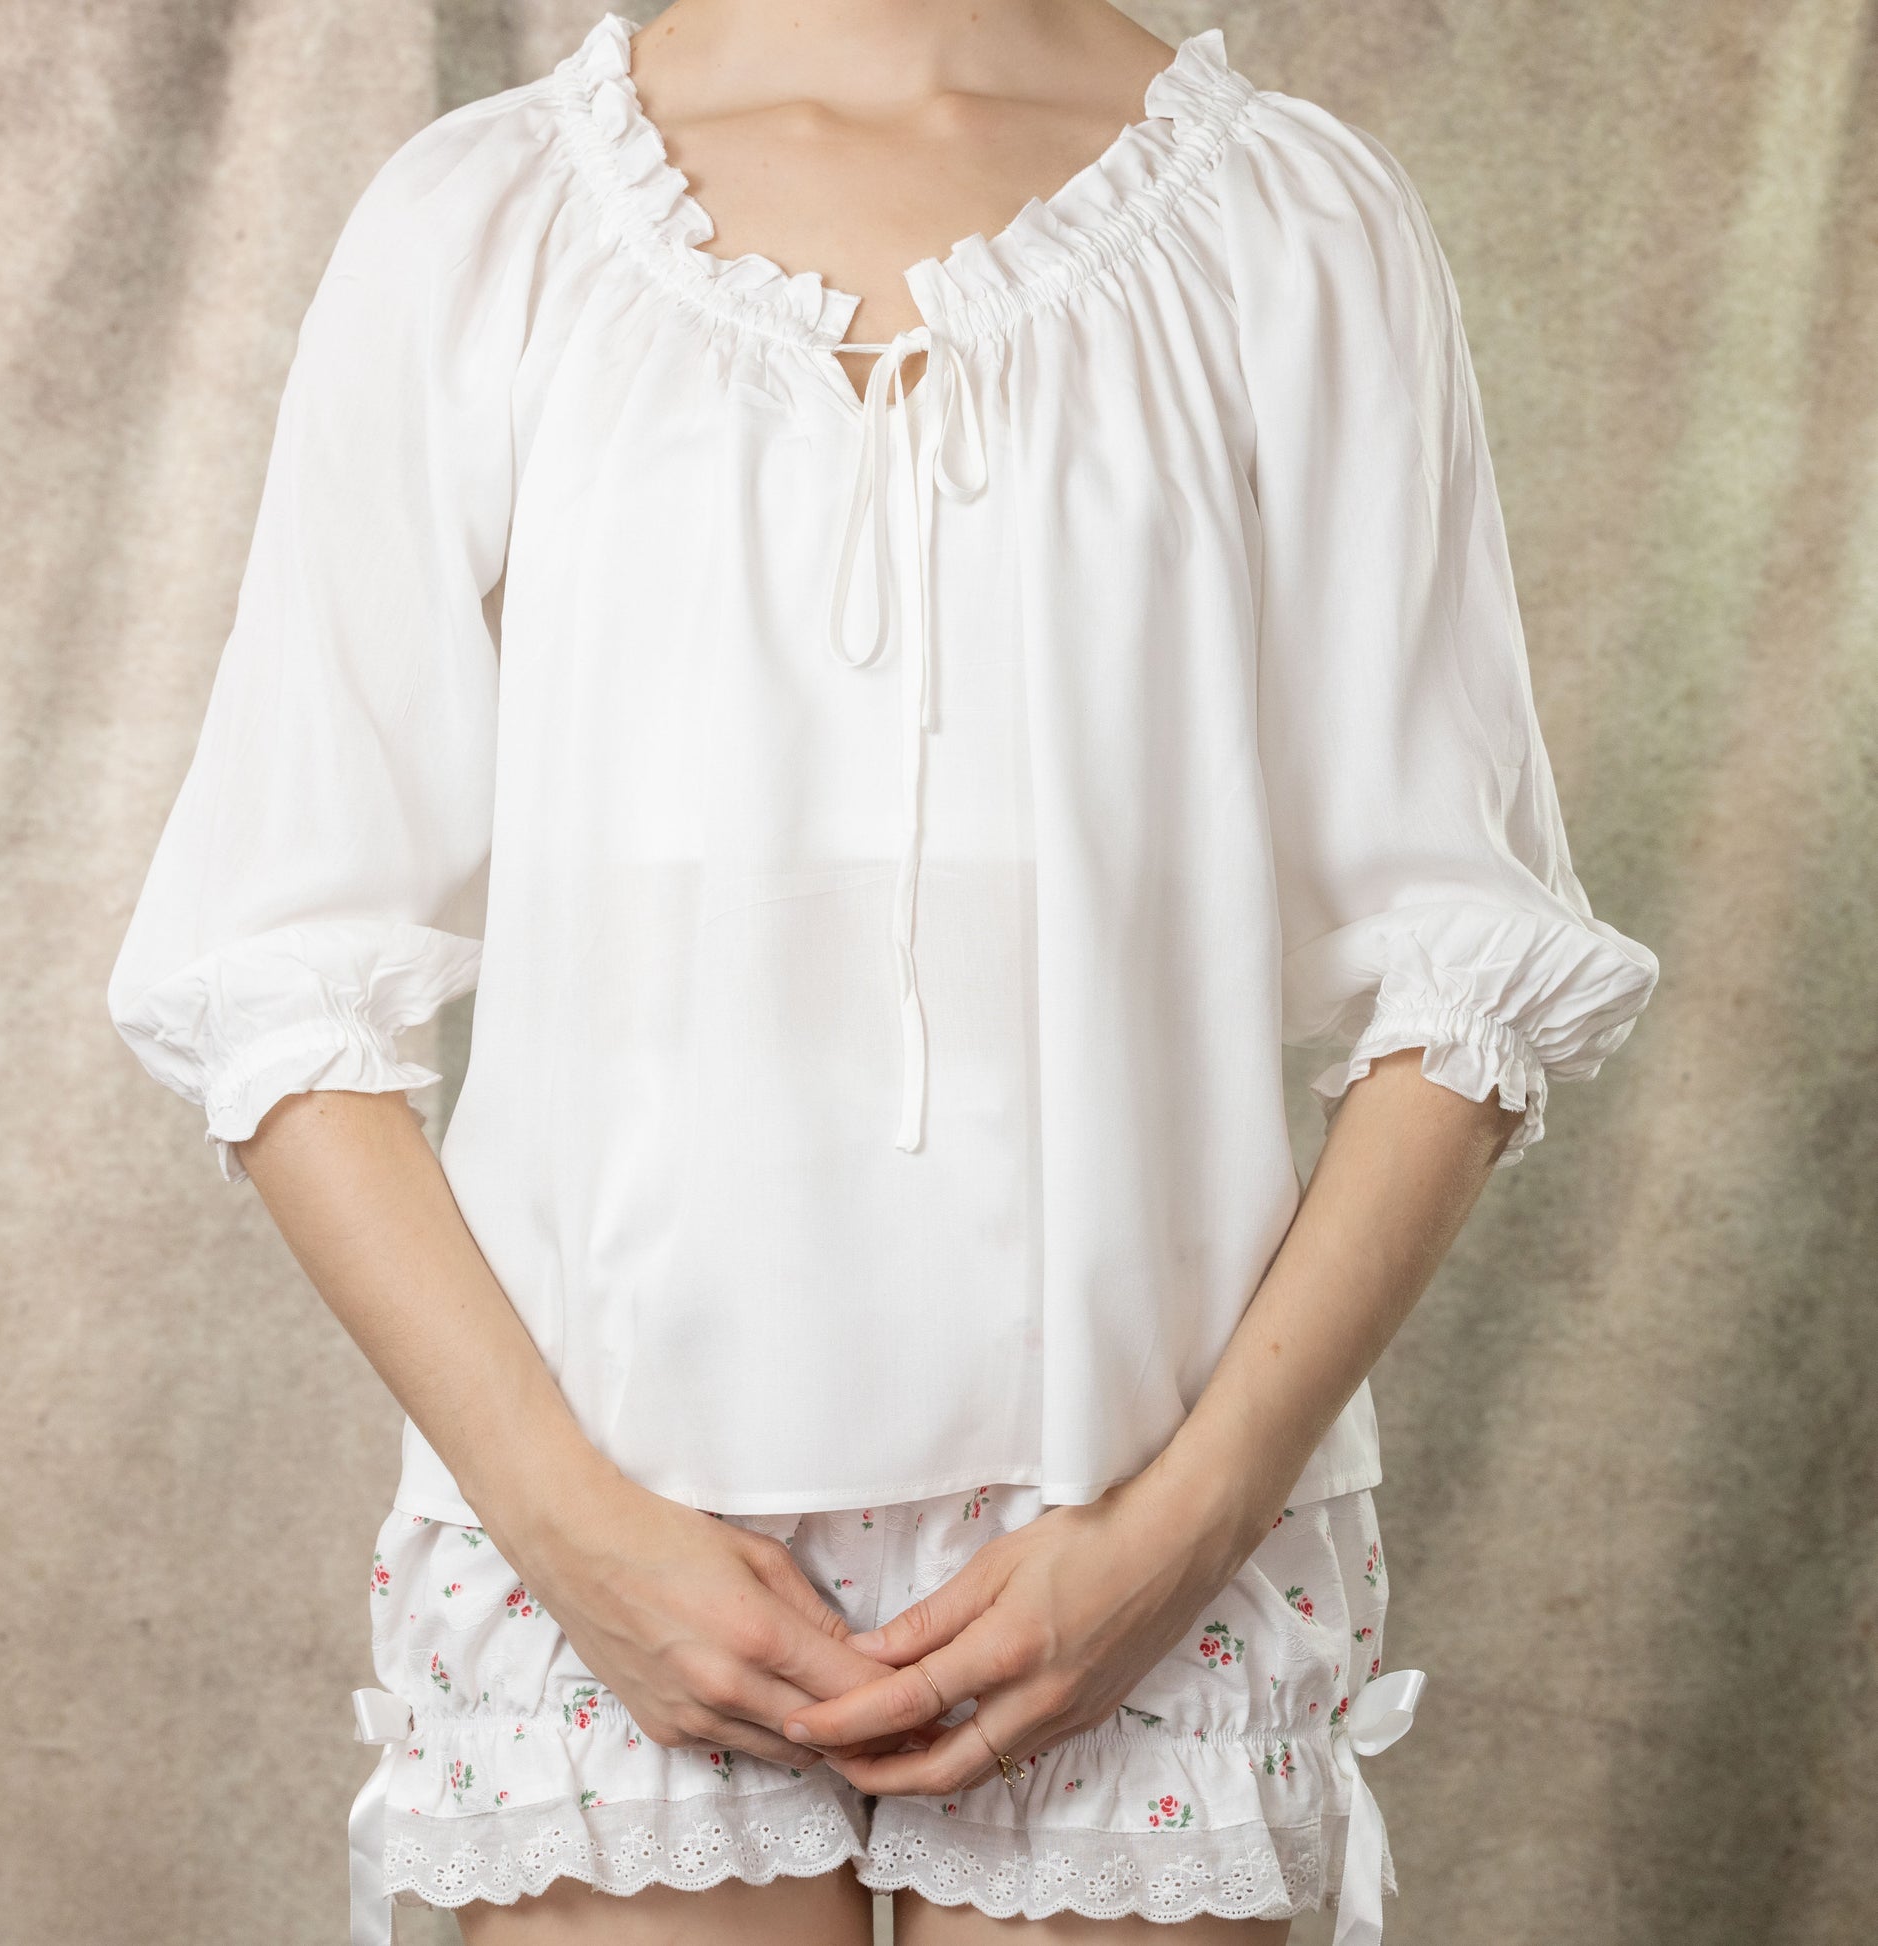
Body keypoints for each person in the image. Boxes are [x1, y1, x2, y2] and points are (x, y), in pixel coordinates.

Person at [105, 1, 1660, 1940]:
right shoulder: (481, 219)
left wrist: (1187, 1526)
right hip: (603, 1488)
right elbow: (275, 963)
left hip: (1146, 1490)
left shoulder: (1292, 222)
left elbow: (1466, 960)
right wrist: (563, 1522)